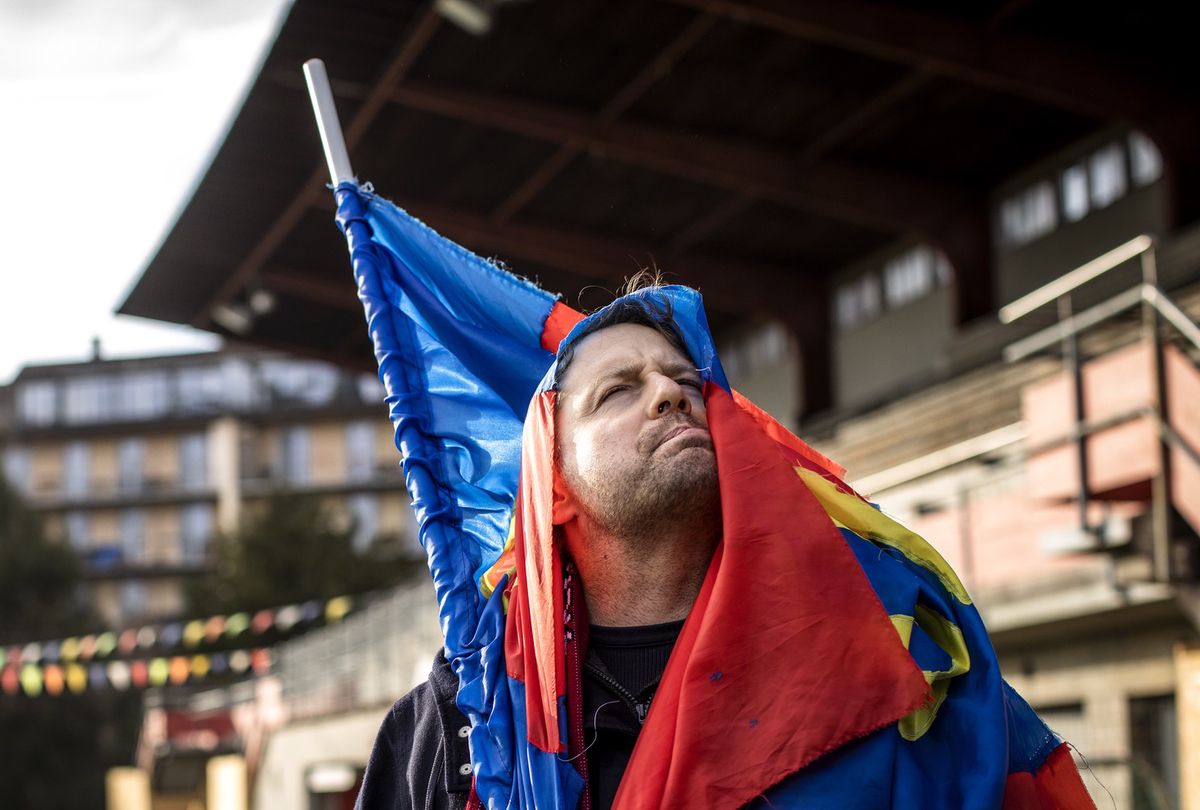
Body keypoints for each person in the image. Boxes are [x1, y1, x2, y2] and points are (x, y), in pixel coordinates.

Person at [352, 280, 1096, 810]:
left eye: (686, 381)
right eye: (618, 391)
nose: (670, 394)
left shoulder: (891, 654)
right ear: (555, 482)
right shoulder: (463, 717)